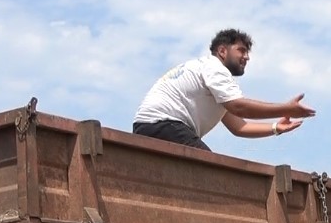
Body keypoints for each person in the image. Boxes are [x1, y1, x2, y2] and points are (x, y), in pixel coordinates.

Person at [133, 28, 316, 151]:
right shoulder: (215, 68)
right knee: (213, 173)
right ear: (222, 51)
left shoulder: (208, 77)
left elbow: (239, 126)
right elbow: (239, 107)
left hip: (150, 126)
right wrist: (287, 109)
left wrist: (277, 127)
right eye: (241, 51)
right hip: (164, 124)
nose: (246, 57)